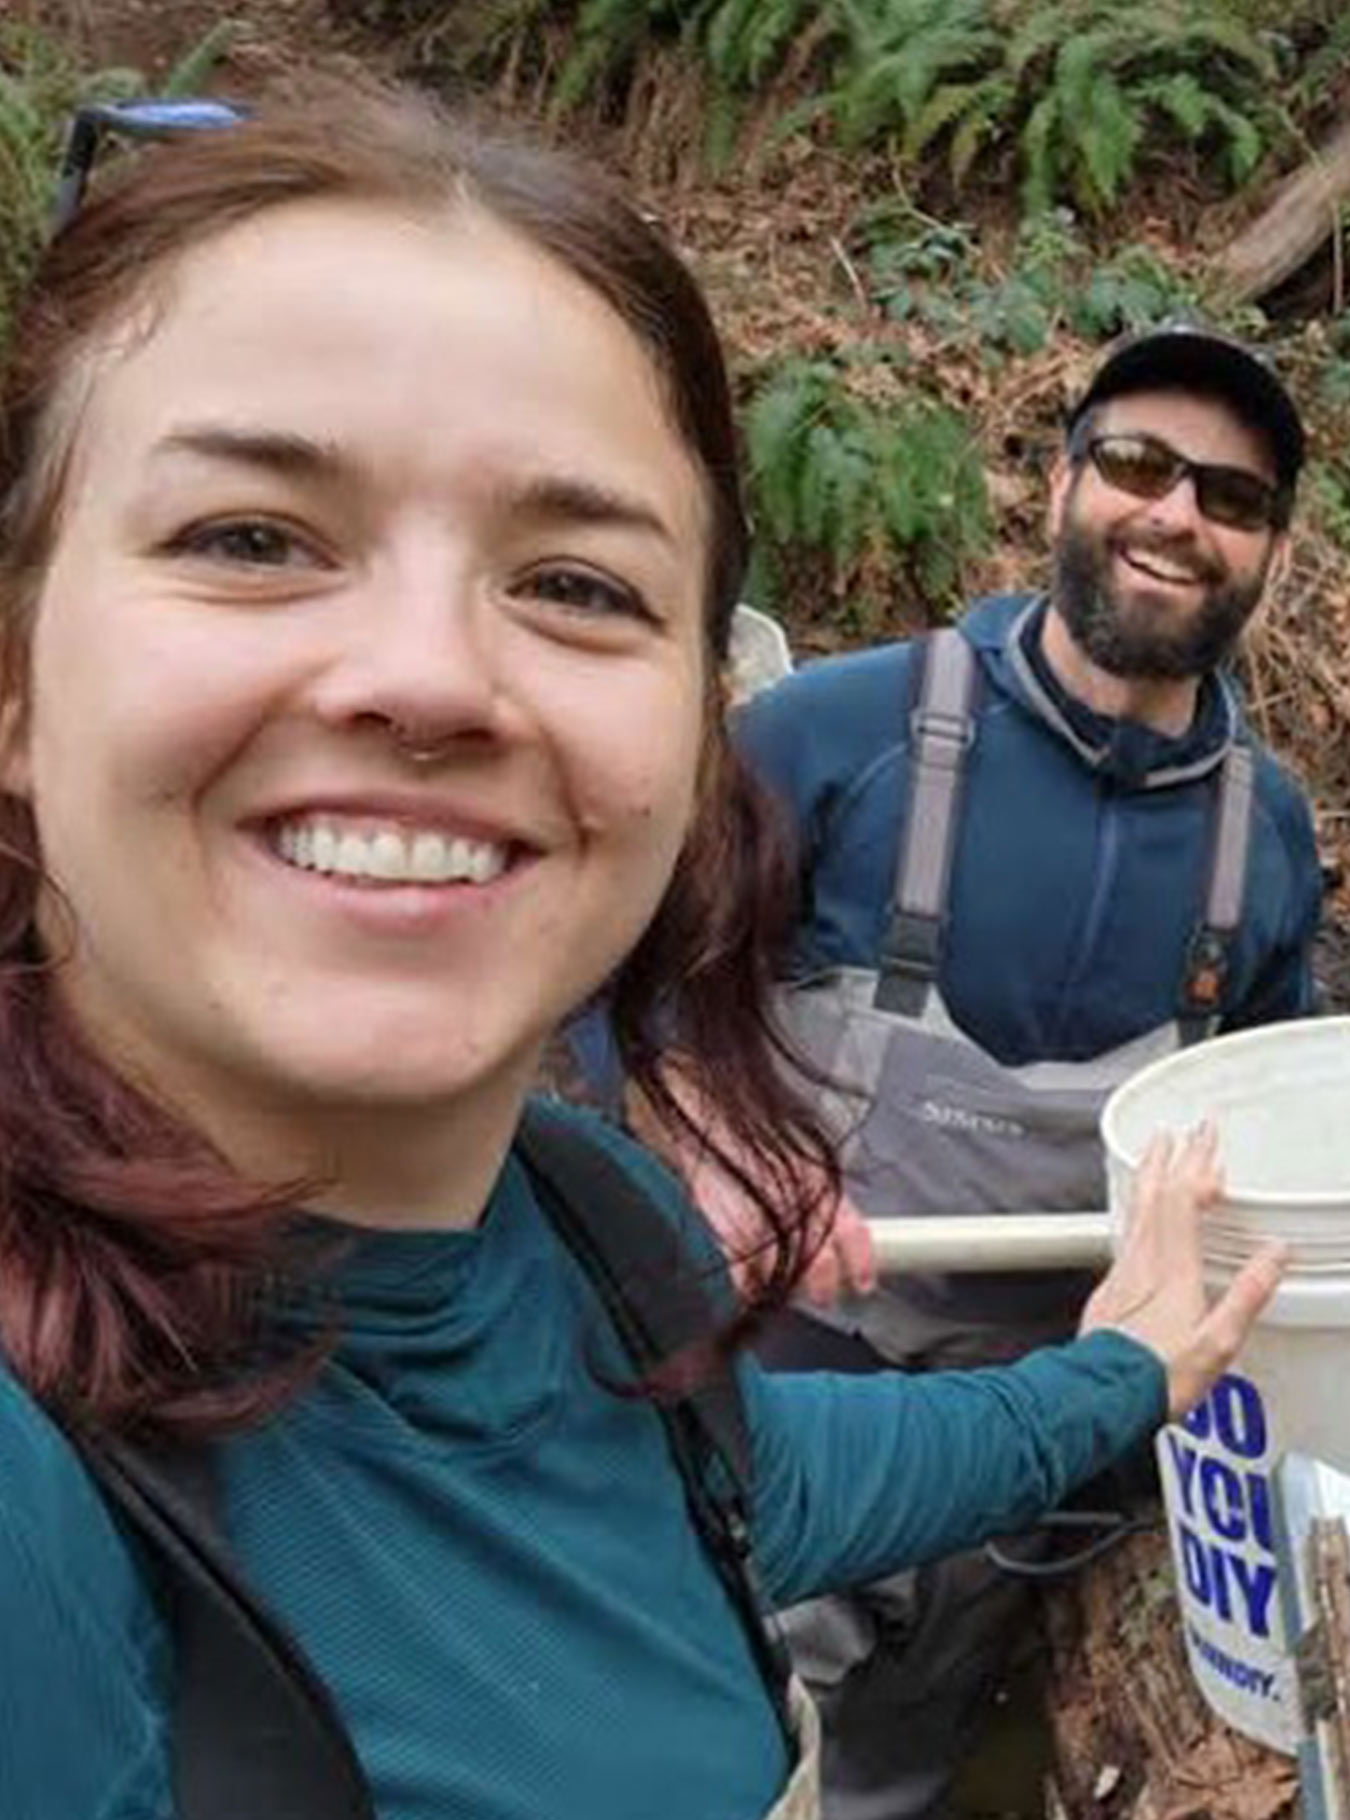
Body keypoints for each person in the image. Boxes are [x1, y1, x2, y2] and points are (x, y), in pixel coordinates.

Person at [0, 80, 1280, 1820]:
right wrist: (703, 1118)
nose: (430, 676)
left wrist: (1122, 1371)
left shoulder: (591, 1239)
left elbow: (712, 1479)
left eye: (579, 584)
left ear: (690, 735)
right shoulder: (41, 1501)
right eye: (251, 540)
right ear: (19, 682)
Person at [648, 325, 1325, 1817]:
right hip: (789, 1396)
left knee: (896, 1782)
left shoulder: (1265, 837)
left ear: (1267, 551)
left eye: (1230, 495)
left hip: (1061, 1441)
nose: (1175, 515)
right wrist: (703, 1151)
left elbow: (1282, 1138)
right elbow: (616, 980)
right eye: (1137, 465)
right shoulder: (829, 734)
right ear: (1061, 482)